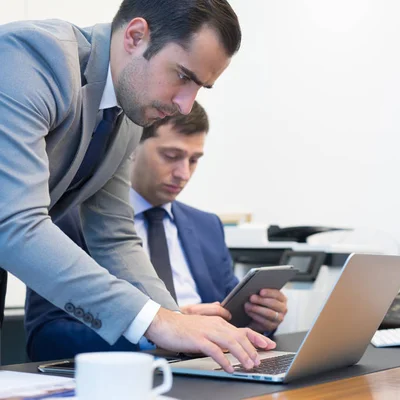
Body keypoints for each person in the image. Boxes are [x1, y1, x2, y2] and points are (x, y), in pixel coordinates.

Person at [0, 0, 274, 372]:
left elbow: (114, 236)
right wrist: (155, 321)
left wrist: (179, 325)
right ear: (135, 36)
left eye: (201, 87)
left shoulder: (127, 110)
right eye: (183, 76)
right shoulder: (30, 58)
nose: (185, 104)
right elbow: (14, 223)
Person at [25, 102, 288, 360]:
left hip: (209, 368)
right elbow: (45, 338)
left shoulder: (207, 226)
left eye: (194, 160)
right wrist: (156, 327)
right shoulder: (69, 220)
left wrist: (261, 318)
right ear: (131, 148)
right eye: (171, 156)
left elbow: (230, 315)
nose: (183, 173)